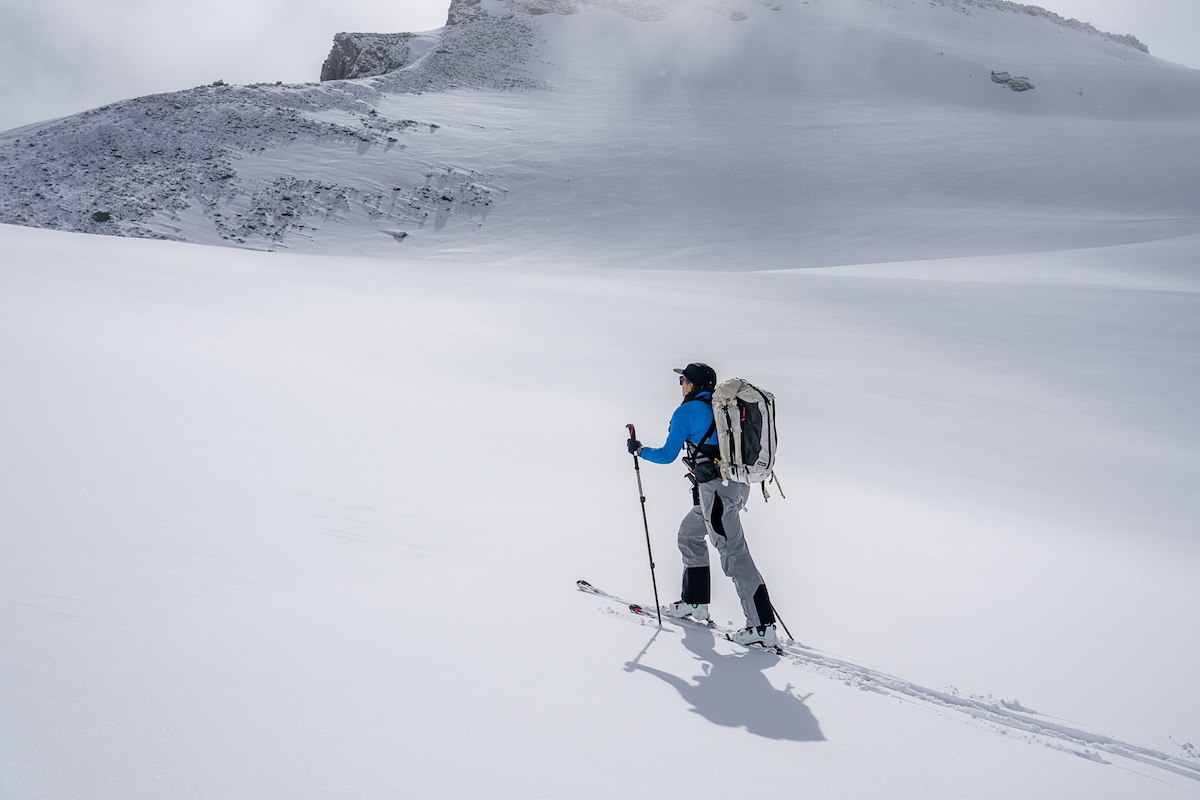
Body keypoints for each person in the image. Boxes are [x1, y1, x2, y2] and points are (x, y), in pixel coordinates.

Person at [627, 363, 778, 647]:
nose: (681, 385)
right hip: (734, 487)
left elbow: (667, 455)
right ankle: (695, 603)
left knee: (734, 555)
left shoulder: (687, 411)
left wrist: (640, 450)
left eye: (683, 380)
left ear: (693, 384)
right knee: (689, 533)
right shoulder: (721, 408)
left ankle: (762, 627)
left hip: (717, 493)